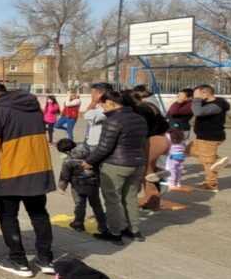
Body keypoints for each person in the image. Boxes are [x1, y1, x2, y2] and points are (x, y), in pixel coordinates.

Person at [0, 82, 56, 277]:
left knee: (8, 216)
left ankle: (18, 260)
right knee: (39, 214)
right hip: (37, 170)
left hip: (9, 174)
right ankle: (46, 259)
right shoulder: (33, 108)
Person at [81, 90, 148, 244]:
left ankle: (114, 232)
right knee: (131, 198)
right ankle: (135, 230)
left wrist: (90, 160)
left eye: (103, 105)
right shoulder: (139, 118)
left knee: (112, 200)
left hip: (116, 165)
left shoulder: (113, 121)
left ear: (111, 103)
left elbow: (105, 147)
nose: (103, 109)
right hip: (136, 162)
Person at [56, 138, 107, 234]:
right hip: (93, 183)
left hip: (78, 185)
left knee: (80, 205)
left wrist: (62, 187)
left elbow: (65, 175)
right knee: (96, 205)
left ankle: (79, 224)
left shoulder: (68, 160)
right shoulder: (91, 153)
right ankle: (102, 225)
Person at [132, 88, 170, 211]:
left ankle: (152, 203)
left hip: (150, 141)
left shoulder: (139, 111)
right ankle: (159, 170)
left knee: (147, 174)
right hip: (162, 139)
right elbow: (165, 124)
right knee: (150, 170)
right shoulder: (151, 106)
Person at [190, 85, 231, 192]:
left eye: (197, 94)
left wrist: (197, 99)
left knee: (208, 162)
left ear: (206, 94)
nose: (195, 97)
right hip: (202, 136)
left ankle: (212, 185)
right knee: (190, 150)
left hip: (209, 137)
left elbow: (198, 112)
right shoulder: (207, 103)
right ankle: (217, 159)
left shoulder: (216, 106)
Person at [83, 82, 114, 147]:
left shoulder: (106, 109)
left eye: (93, 93)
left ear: (100, 94)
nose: (92, 95)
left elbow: (87, 115)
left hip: (99, 144)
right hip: (95, 142)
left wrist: (93, 102)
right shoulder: (100, 107)